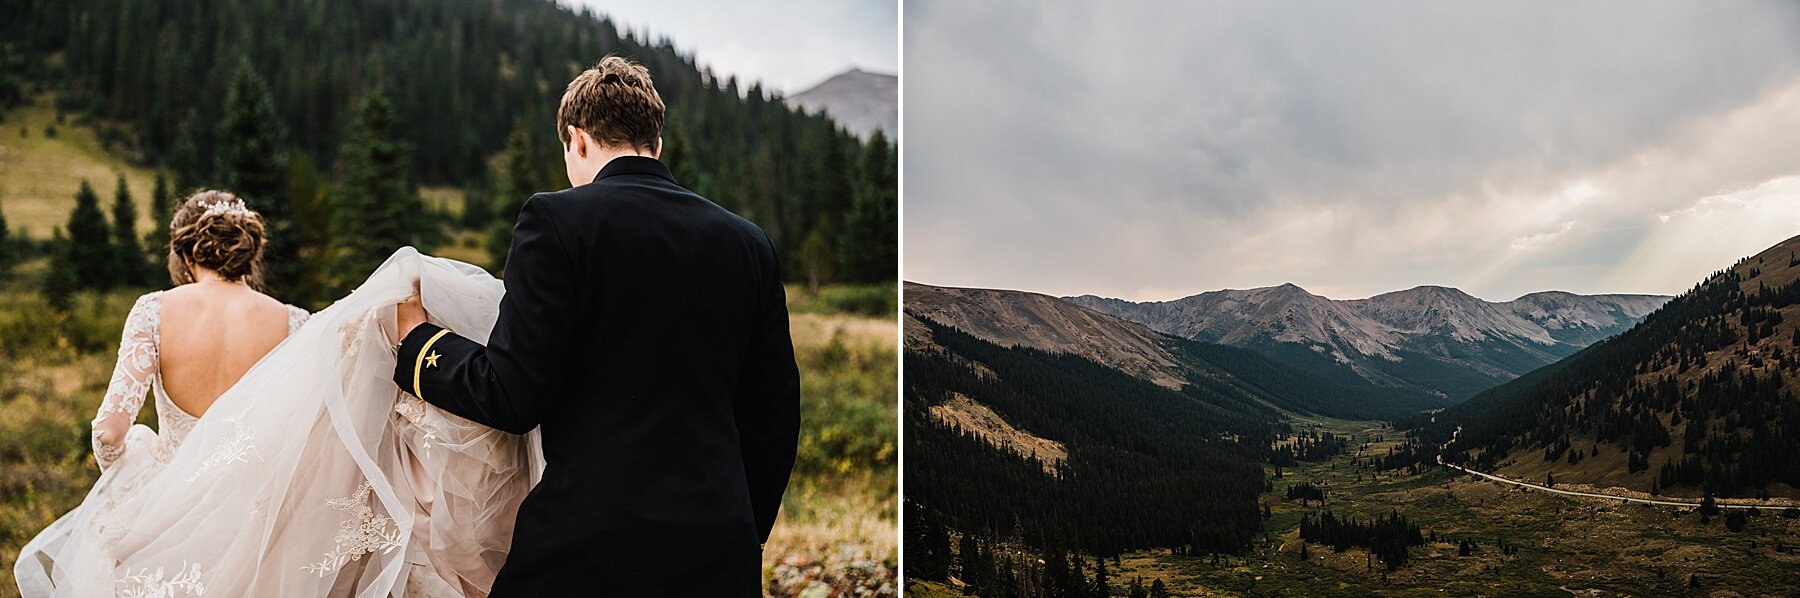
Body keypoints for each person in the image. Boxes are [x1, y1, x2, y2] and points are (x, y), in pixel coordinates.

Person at [392, 55, 801, 595]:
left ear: (577, 140)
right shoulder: (748, 243)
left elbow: (513, 394)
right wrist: (743, 528)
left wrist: (418, 342)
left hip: (587, 551)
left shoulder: (555, 222)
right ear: (655, 141)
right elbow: (775, 415)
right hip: (720, 551)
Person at [16, 192, 537, 597]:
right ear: (249, 250)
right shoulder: (293, 322)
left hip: (171, 512)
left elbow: (109, 429)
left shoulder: (155, 310)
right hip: (257, 520)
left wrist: (134, 476)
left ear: (181, 251)